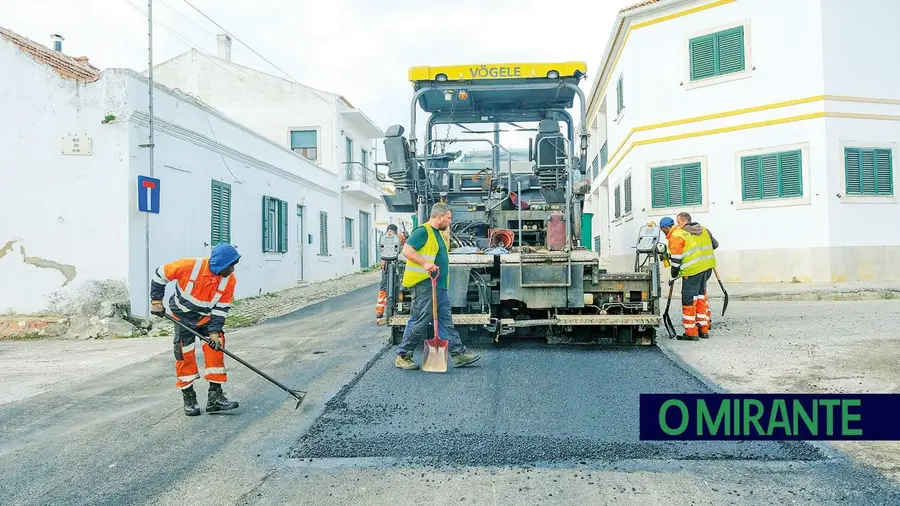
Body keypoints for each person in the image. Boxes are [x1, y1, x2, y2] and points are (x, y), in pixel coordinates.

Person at [150, 243, 241, 416]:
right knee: (184, 355)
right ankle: (189, 399)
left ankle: (215, 398)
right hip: (182, 318)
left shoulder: (229, 281)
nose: (233, 270)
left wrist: (214, 332)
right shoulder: (189, 266)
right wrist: (156, 301)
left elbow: (221, 309)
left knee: (216, 348)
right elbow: (159, 274)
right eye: (230, 266)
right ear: (219, 265)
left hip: (207, 319)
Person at [395, 203, 481, 370]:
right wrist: (425, 263)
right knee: (419, 320)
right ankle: (403, 355)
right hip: (424, 284)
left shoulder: (436, 234)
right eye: (448, 218)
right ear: (439, 216)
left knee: (445, 321)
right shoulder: (423, 231)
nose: (450, 221)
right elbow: (406, 250)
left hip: (437, 285)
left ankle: (458, 354)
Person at [661, 212, 718, 341]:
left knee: (689, 300)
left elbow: (676, 260)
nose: (678, 225)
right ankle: (703, 329)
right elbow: (714, 245)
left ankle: (691, 332)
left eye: (679, 222)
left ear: (684, 221)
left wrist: (674, 273)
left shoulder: (678, 235)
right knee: (700, 298)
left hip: (692, 271)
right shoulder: (704, 230)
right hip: (706, 268)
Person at [376, 225, 406, 324]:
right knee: (398, 286)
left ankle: (379, 312)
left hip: (387, 263)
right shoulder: (400, 237)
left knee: (384, 288)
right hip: (392, 264)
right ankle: (396, 308)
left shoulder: (384, 237)